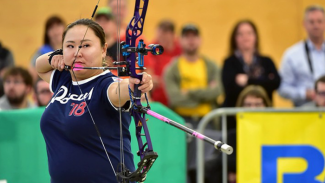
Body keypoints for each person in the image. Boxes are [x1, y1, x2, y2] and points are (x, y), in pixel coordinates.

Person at [35, 18, 153, 182]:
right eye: (70, 46)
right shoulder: (63, 78)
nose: (77, 52)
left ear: (104, 49)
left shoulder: (106, 86)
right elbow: (39, 66)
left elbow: (120, 90)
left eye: (86, 45)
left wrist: (136, 84)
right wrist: (55, 56)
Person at [164, 23, 222, 128]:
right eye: (187, 37)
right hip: (180, 121)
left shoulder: (212, 66)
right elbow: (175, 98)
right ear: (180, 41)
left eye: (194, 36)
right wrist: (205, 96)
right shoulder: (171, 69)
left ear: (200, 40)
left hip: (208, 121)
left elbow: (216, 91)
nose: (191, 40)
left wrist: (189, 92)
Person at [221, 20, 280, 109]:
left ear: (256, 37)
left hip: (263, 115)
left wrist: (248, 80)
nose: (245, 37)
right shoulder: (229, 62)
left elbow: (275, 83)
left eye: (249, 33)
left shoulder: (266, 61)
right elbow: (230, 89)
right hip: (235, 117)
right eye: (240, 34)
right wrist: (263, 80)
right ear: (234, 39)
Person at [278, 5, 325, 106]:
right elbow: (282, 88)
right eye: (312, 22)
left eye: (319, 21)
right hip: (304, 111)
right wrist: (304, 93)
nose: (316, 25)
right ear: (304, 24)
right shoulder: (292, 55)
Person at [226, 85, 271, 183]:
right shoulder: (232, 135)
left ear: (266, 106)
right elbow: (226, 162)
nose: (253, 109)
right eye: (248, 104)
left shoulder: (275, 133)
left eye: (258, 104)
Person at [146, 20, 182, 106]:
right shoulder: (150, 49)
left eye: (168, 33)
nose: (165, 36)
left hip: (177, 100)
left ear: (173, 35)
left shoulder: (180, 49)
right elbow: (147, 69)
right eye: (162, 32)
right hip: (156, 99)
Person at [29, 16, 65, 82]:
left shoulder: (71, 50)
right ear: (47, 33)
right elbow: (32, 73)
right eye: (52, 28)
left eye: (58, 26)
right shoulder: (41, 52)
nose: (56, 31)